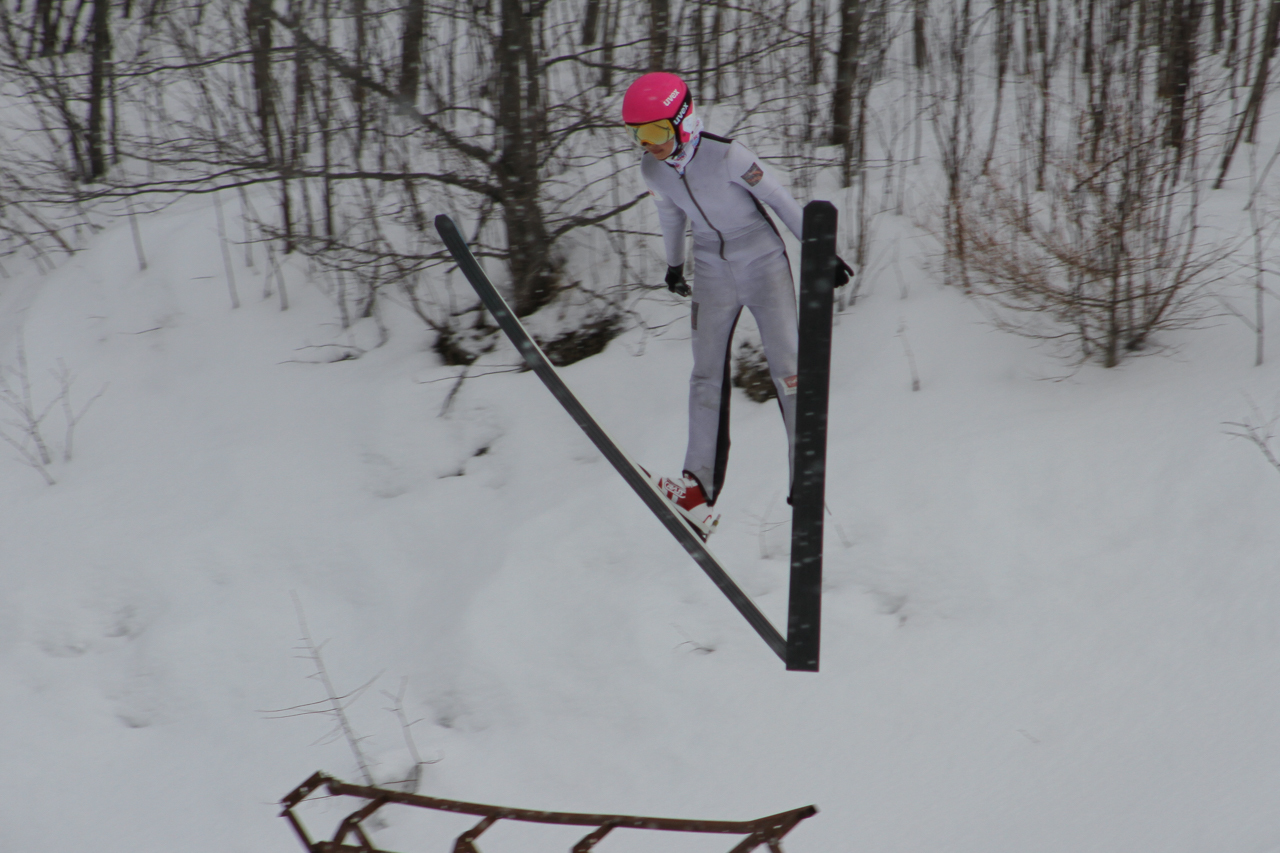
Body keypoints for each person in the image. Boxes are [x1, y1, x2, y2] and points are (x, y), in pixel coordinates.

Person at [623, 72, 850, 539]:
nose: (650, 146)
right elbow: (670, 215)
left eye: (657, 133)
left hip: (762, 260)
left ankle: (803, 479)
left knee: (788, 372)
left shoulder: (727, 155)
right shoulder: (653, 170)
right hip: (710, 266)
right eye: (639, 136)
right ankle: (696, 490)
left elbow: (780, 201)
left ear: (684, 121)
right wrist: (674, 265)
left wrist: (820, 250)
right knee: (704, 374)